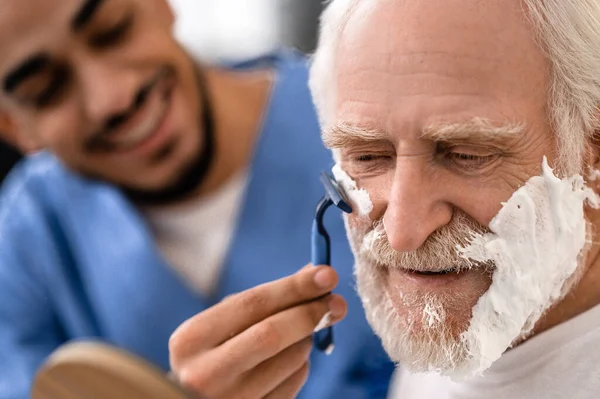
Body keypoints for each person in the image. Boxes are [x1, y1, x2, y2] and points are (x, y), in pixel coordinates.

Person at [0, 1, 394, 398]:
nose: (114, 98)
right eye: (45, 91)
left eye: (113, 28)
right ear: (12, 125)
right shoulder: (30, 244)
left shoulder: (375, 121)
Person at [308, 0, 600, 398]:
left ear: (593, 155)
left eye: (467, 155)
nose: (402, 233)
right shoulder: (471, 336)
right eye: (368, 156)